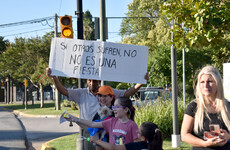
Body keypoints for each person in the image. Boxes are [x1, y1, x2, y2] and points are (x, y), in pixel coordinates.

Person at [181, 65, 230, 150]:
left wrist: (228, 136)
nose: (206, 86)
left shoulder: (228, 106)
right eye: (202, 82)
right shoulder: (193, 106)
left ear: (218, 83)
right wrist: (204, 144)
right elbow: (184, 135)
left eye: (210, 81)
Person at [66, 97, 139, 145]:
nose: (114, 109)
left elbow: (136, 146)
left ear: (126, 109)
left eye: (117, 107)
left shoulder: (132, 125)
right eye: (113, 106)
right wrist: (75, 119)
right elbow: (93, 124)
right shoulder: (112, 121)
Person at [90, 121, 163, 150]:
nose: (136, 132)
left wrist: (96, 141)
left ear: (143, 138)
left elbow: (113, 147)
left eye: (139, 132)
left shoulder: (137, 146)